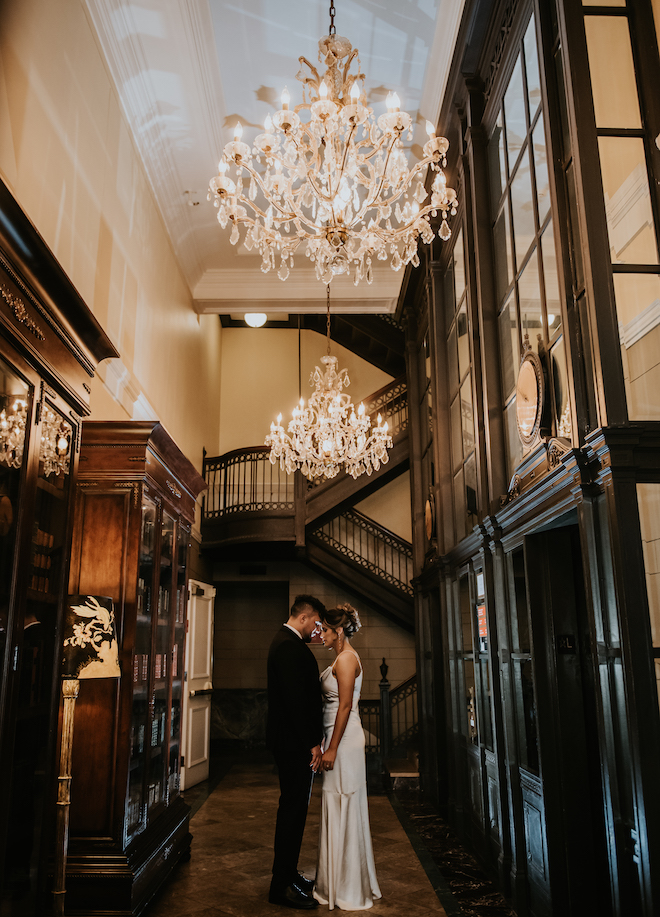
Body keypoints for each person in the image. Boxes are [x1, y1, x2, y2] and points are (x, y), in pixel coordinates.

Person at [314, 604, 382, 911]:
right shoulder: (341, 658)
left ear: (338, 631)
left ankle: (349, 888)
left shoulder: (345, 660)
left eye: (325, 630)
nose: (321, 634)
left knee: (343, 802)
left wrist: (331, 748)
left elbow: (344, 707)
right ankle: (337, 881)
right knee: (336, 804)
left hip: (344, 741)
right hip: (336, 737)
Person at [267, 594, 327, 910]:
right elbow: (295, 704)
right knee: (292, 813)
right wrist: (312, 743)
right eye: (316, 623)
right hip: (293, 745)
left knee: (295, 811)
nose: (317, 629)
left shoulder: (287, 642)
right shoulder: (289, 646)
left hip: (291, 742)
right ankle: (280, 886)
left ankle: (289, 874)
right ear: (303, 618)